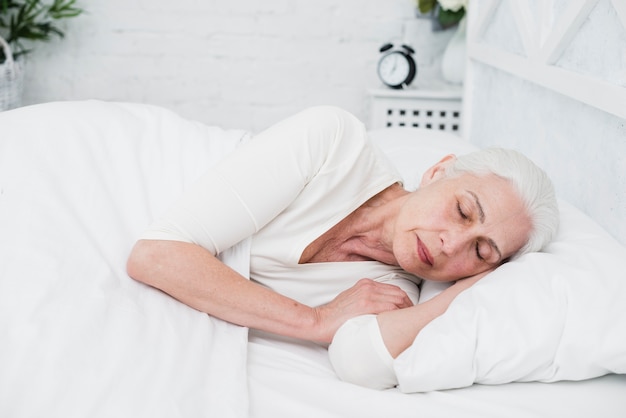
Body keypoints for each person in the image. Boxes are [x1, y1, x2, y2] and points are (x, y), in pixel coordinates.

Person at [126, 106, 558, 379]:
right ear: (438, 171)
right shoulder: (335, 142)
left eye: (481, 251)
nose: (451, 245)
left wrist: (461, 294)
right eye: (463, 211)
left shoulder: (391, 292)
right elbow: (157, 253)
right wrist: (316, 320)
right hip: (129, 179)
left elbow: (361, 361)